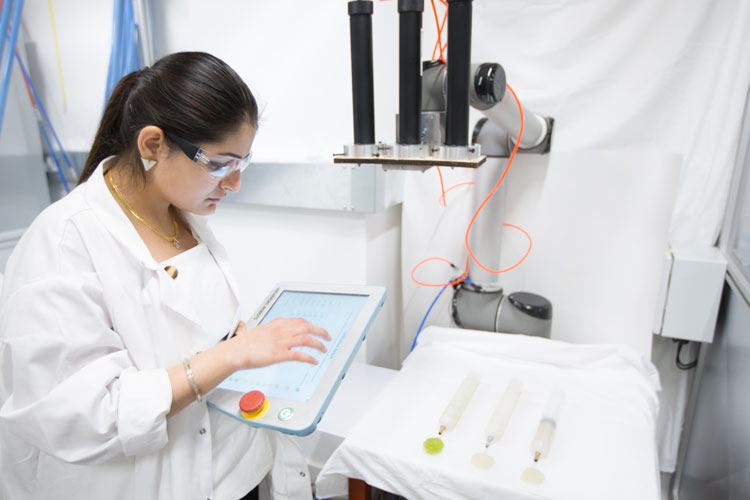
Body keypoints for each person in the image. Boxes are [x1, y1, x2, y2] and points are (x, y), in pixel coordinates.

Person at [0, 51, 330, 500]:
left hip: (239, 470)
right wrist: (231, 357)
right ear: (152, 145)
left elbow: (193, 336)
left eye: (242, 163)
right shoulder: (62, 244)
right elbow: (88, 415)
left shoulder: (181, 216)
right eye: (219, 164)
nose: (234, 184)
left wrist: (236, 344)